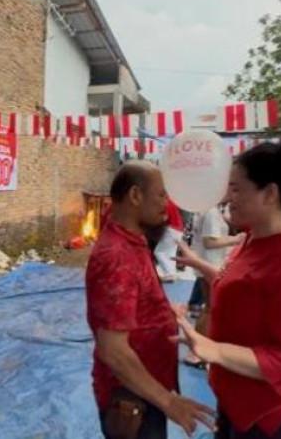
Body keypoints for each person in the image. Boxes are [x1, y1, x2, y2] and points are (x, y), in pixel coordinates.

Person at [175, 133, 281, 439]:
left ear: (270, 194)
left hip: (276, 416)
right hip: (240, 397)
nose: (228, 197)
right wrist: (199, 264)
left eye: (237, 189)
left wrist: (214, 350)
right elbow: (243, 284)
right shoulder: (253, 239)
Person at [85, 161, 215, 439]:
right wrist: (168, 402)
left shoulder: (133, 239)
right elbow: (113, 350)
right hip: (133, 396)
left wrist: (162, 312)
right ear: (135, 195)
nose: (167, 205)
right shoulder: (116, 256)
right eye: (161, 195)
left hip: (145, 388)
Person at [184, 203, 244, 368]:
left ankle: (196, 351)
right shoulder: (211, 212)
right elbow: (209, 242)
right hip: (210, 263)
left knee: (208, 308)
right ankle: (197, 353)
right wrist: (236, 239)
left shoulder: (208, 210)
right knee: (210, 309)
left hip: (207, 262)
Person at [153, 198, 185, 282]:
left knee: (158, 252)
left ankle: (169, 273)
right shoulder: (172, 202)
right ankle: (172, 273)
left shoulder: (165, 202)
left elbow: (164, 217)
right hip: (179, 229)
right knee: (171, 253)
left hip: (171, 229)